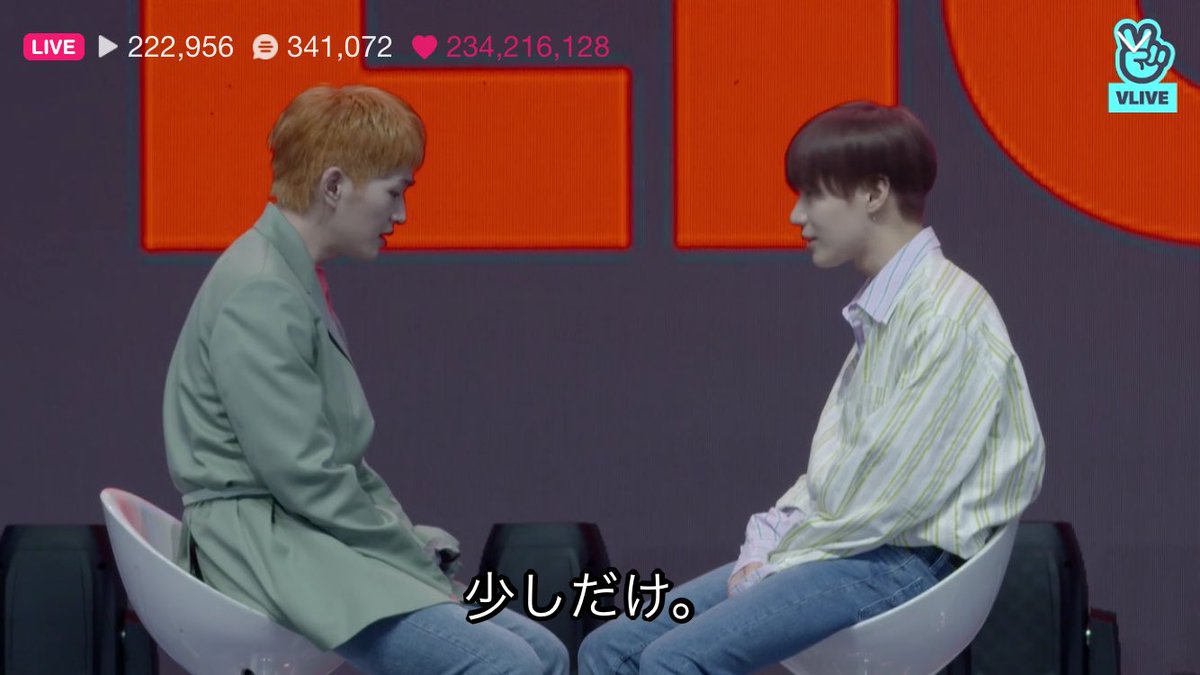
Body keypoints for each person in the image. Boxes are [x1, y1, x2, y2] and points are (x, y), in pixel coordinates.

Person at [578, 101, 1046, 674]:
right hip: (849, 545)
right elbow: (842, 476)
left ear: (874, 193)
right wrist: (766, 541)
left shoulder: (944, 315)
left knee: (674, 661)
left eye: (813, 195)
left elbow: (888, 499)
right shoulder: (888, 312)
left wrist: (776, 559)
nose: (797, 216)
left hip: (898, 560)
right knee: (611, 648)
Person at [162, 84, 568, 675]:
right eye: (394, 192)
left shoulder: (290, 278)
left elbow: (332, 468)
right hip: (268, 548)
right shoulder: (263, 289)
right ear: (333, 186)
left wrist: (404, 542)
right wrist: (405, 552)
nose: (401, 216)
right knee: (509, 663)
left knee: (545, 653)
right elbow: (305, 476)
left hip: (306, 535)